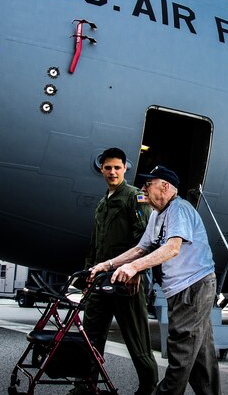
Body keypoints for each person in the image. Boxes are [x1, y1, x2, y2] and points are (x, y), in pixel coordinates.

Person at [89, 165, 221, 395]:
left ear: (165, 186)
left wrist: (134, 268)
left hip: (194, 287)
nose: (143, 188)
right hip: (183, 289)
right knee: (200, 356)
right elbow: (140, 248)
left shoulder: (179, 209)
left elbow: (172, 248)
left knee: (181, 351)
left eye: (148, 184)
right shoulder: (158, 215)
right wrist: (108, 265)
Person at [75, 147, 158, 395]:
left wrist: (137, 272)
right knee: (91, 336)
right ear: (101, 169)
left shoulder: (135, 197)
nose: (112, 172)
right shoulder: (103, 204)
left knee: (137, 339)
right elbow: (95, 242)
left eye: (117, 168)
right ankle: (86, 385)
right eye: (108, 168)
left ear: (125, 169)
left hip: (126, 280)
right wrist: (89, 273)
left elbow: (144, 240)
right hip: (101, 280)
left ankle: (148, 387)